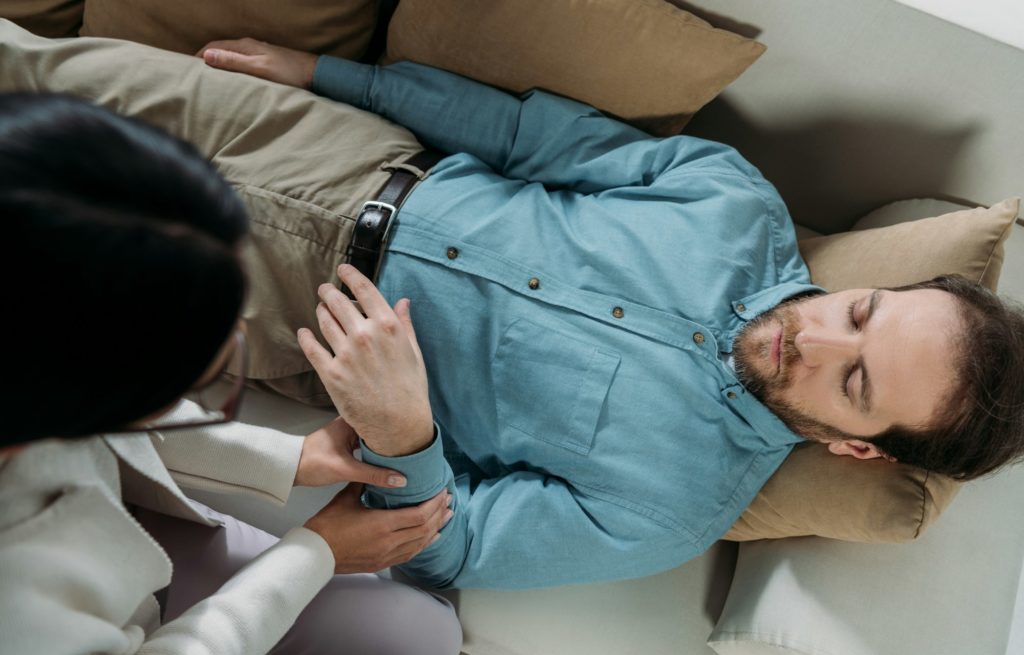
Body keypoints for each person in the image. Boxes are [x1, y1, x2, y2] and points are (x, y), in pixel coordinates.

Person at [3, 20, 1022, 592]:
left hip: (266, 308)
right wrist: (329, 75)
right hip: (326, 148)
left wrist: (403, 432)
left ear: (856, 448)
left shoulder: (668, 511)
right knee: (24, 65)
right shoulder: (734, 201)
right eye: (861, 312)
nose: (816, 335)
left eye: (854, 381)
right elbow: (528, 136)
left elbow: (454, 547)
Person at [0, 92, 461, 655]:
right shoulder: (20, 631)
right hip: (108, 619)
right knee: (420, 644)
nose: (241, 331)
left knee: (422, 638)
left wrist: (291, 458)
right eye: (208, 368)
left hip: (120, 525)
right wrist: (315, 552)